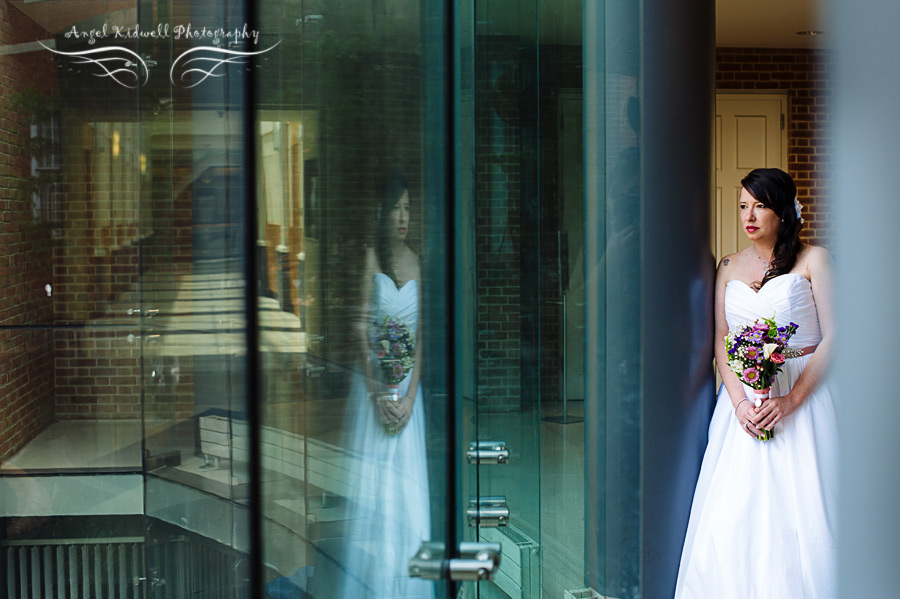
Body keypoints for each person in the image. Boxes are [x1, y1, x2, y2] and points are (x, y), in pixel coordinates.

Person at [675, 168, 838, 598]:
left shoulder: (814, 260)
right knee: (734, 513)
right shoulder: (727, 265)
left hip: (806, 400)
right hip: (742, 408)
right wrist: (739, 403)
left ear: (783, 212)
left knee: (808, 510)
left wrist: (790, 401)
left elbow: (836, 336)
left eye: (760, 205)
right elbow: (722, 340)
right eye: (743, 205)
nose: (749, 215)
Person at [314, 171, 433, 599]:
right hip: (374, 393)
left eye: (408, 208)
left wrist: (410, 396)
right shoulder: (371, 259)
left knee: (409, 497)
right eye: (395, 208)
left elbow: (421, 340)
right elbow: (360, 328)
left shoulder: (417, 262)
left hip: (407, 397)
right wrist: (378, 391)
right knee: (378, 494)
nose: (403, 217)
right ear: (381, 213)